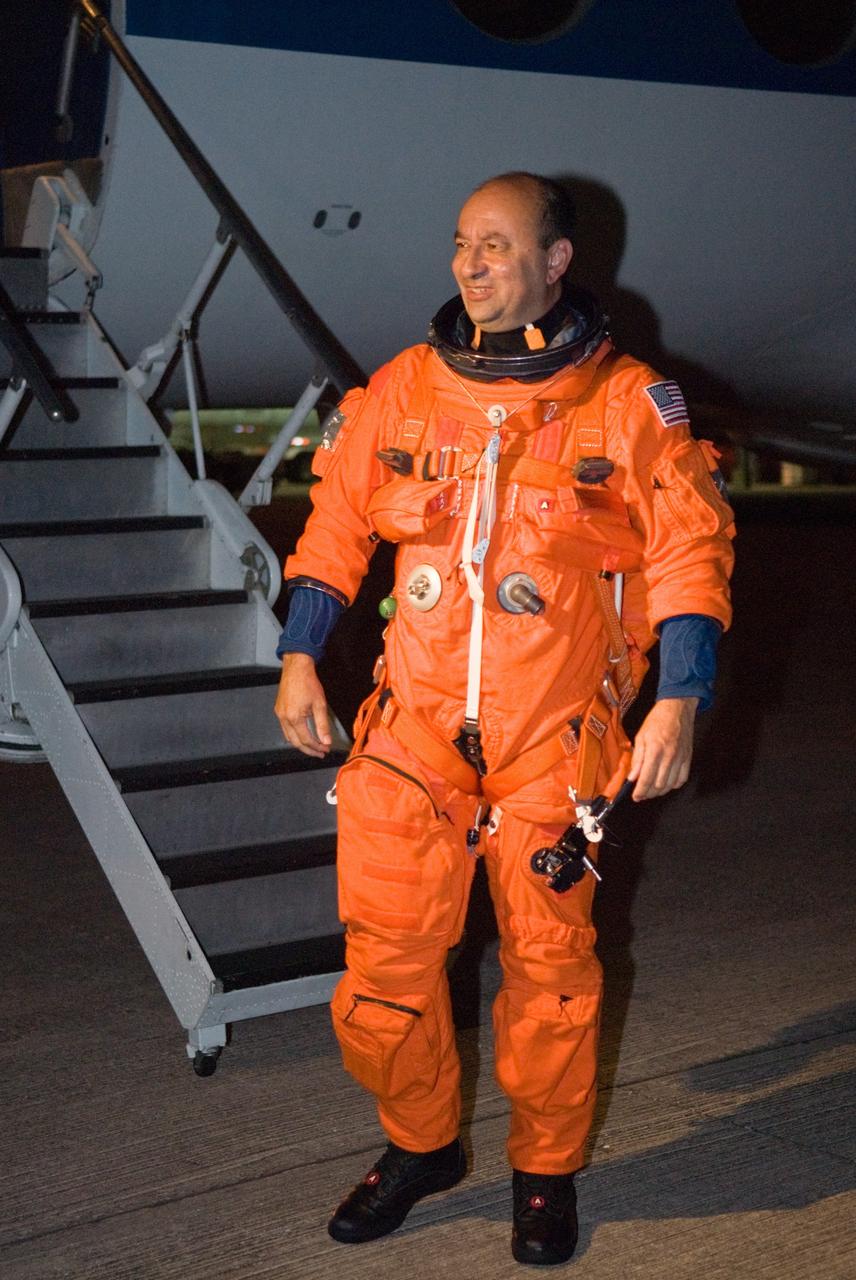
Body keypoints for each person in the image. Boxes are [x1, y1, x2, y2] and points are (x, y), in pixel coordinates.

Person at [275, 172, 734, 1265]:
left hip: (550, 739)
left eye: (495, 244)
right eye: (460, 244)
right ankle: (421, 1142)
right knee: (385, 968)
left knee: (551, 972)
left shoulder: (626, 402)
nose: (469, 264)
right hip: (414, 729)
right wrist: (298, 656)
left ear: (556, 260)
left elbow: (688, 548)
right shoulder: (403, 389)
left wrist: (680, 694)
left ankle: (543, 1170)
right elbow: (336, 521)